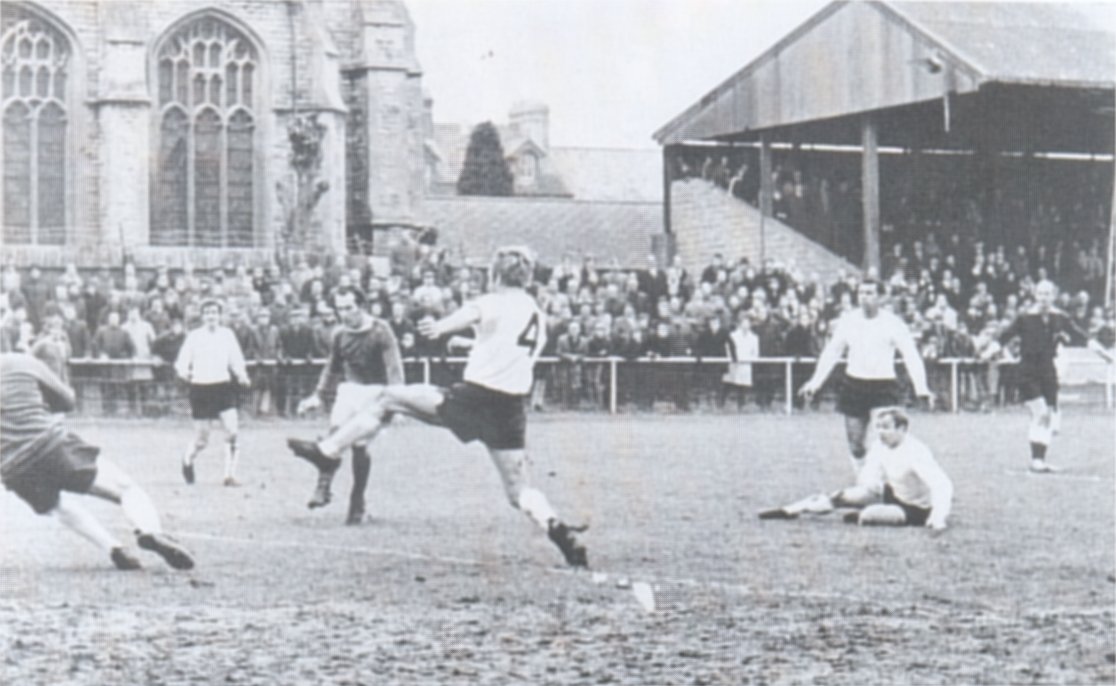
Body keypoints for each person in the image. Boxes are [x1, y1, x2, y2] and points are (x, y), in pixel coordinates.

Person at [287, 246, 588, 568]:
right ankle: (560, 534)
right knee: (519, 493)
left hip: (474, 399)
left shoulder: (491, 302)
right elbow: (511, 347)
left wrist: (441, 327)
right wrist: (473, 344)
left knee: (390, 397)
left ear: (496, 274)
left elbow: (470, 314)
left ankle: (328, 450)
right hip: (510, 409)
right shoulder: (535, 313)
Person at [1, 350, 195, 570]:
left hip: (13, 468)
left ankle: (114, 549)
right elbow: (68, 401)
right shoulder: (20, 362)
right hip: (50, 445)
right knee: (126, 489)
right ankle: (150, 531)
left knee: (57, 507)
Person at [798, 279, 931, 474]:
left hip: (884, 386)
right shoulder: (848, 322)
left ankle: (883, 481)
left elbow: (911, 356)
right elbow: (831, 353)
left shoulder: (893, 324)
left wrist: (922, 388)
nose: (864, 298)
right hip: (855, 385)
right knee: (856, 444)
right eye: (861, 293)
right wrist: (814, 383)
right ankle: (862, 477)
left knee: (884, 438)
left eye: (869, 293)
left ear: (880, 297)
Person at [294, 287, 404, 524]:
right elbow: (332, 367)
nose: (344, 314)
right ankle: (323, 488)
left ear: (361, 306)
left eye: (349, 308)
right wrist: (318, 395)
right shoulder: (339, 334)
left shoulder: (380, 330)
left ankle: (357, 501)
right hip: (350, 390)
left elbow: (394, 367)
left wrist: (397, 402)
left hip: (376, 393)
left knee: (359, 447)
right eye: (339, 308)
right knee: (333, 436)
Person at [758, 408, 952, 531]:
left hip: (917, 509)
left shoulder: (916, 451)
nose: (881, 432)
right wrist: (869, 487)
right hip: (893, 493)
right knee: (841, 496)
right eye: (878, 427)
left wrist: (938, 517)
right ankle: (789, 510)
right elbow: (870, 473)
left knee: (868, 516)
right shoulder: (879, 446)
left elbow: (942, 485)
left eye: (886, 427)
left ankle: (863, 514)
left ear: (902, 429)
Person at [997, 280, 1091, 473]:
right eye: (1040, 294)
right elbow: (1003, 338)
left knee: (1048, 416)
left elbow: (1081, 336)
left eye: (1047, 294)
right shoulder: (1024, 318)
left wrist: (1104, 354)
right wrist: (988, 352)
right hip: (1027, 370)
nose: (1044, 298)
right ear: (1034, 295)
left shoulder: (1060, 317)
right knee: (1041, 413)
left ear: (1054, 295)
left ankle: (1038, 459)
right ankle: (1036, 460)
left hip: (1048, 369)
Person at [174, 299, 250, 487]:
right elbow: (181, 362)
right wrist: (185, 373)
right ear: (202, 316)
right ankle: (187, 460)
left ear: (219, 315)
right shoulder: (194, 336)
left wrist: (242, 375)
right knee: (202, 440)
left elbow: (236, 359)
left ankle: (229, 476)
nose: (211, 316)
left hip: (223, 387)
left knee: (232, 431)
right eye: (207, 313)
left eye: (214, 312)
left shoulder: (227, 335)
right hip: (200, 388)